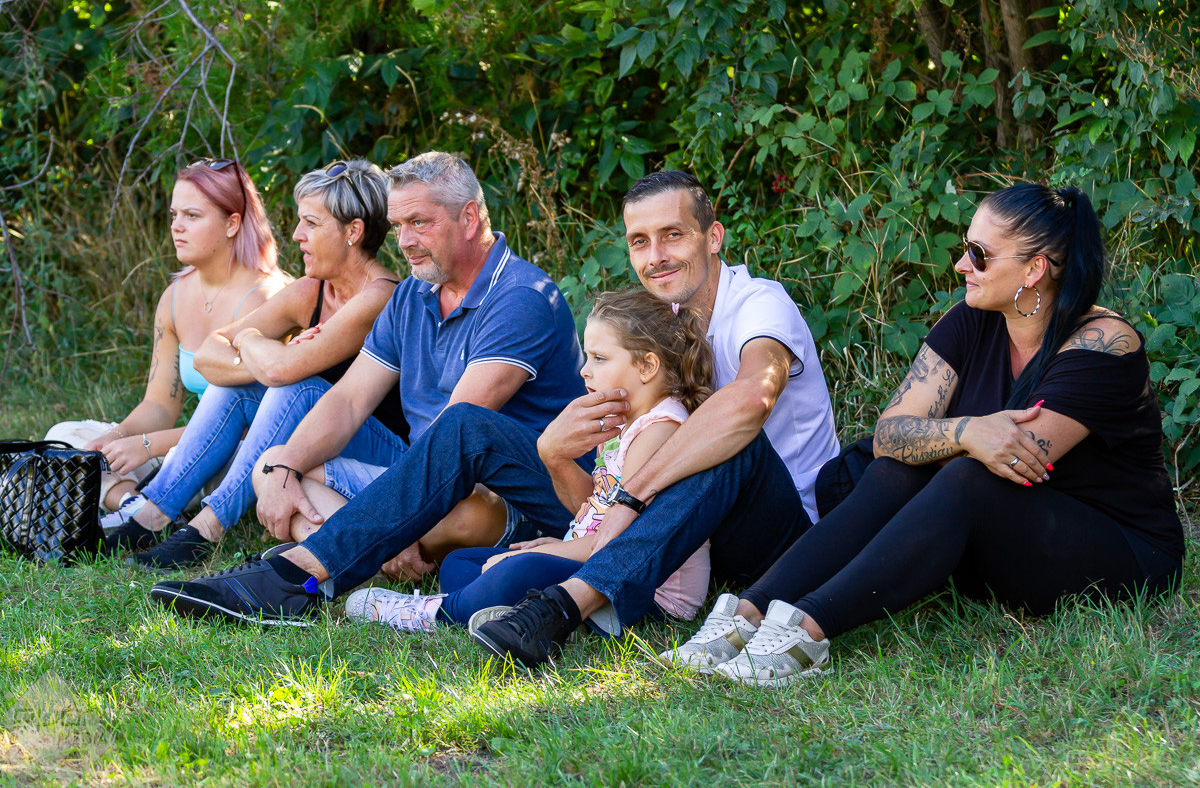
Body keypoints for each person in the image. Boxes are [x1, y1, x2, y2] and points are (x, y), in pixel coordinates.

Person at [147, 170, 839, 650]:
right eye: (639, 240)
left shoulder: (757, 303)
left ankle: (561, 606)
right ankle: (298, 575)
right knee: (465, 427)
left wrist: (628, 492)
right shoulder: (658, 323)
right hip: (638, 522)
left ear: (713, 238)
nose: (655, 257)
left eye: (674, 236)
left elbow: (748, 402)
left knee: (727, 439)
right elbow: (603, 484)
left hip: (764, 530)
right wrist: (556, 457)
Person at [660, 183, 1184, 687]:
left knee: (964, 478)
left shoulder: (1102, 344)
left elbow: (1017, 461)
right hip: (1004, 539)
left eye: (979, 255)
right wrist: (966, 431)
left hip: (1117, 550)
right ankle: (748, 612)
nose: (961, 265)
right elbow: (889, 435)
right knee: (898, 468)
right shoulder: (973, 318)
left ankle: (808, 630)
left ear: (1035, 269)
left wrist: (948, 443)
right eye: (966, 249)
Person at [147, 151, 585, 618]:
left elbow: (454, 443)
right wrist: (286, 468)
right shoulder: (413, 294)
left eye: (420, 223)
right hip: (424, 475)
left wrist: (397, 516)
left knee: (460, 483)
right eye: (399, 226)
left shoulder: (519, 297)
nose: (406, 242)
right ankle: (367, 555)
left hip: (512, 497)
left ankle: (294, 576)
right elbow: (349, 399)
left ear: (470, 218)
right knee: (273, 467)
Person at [342, 289, 715, 633]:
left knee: (515, 570)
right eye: (587, 357)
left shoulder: (658, 430)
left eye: (600, 359)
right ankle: (502, 608)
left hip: (645, 591)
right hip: (597, 559)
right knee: (462, 563)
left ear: (647, 366)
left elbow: (623, 544)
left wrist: (555, 552)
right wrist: (564, 539)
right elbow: (597, 508)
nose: (585, 370)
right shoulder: (623, 420)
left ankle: (435, 614)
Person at [104, 159, 407, 570]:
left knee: (296, 386)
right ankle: (152, 514)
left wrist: (248, 341)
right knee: (237, 386)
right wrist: (264, 361)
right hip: (324, 439)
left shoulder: (380, 296)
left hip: (387, 455)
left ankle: (207, 529)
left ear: (353, 232)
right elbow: (210, 355)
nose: (297, 235)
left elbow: (281, 372)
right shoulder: (312, 291)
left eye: (311, 223)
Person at [48, 158, 286, 517]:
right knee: (64, 436)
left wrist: (148, 445)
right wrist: (117, 439)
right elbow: (159, 405)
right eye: (174, 215)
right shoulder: (174, 297)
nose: (177, 226)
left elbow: (256, 426)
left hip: (238, 454)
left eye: (192, 216)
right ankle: (130, 503)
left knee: (196, 457)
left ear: (232, 223)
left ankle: (137, 502)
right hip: (180, 444)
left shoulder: (265, 299)